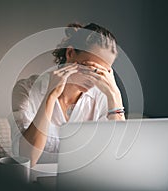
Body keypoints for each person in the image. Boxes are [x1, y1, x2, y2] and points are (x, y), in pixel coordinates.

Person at [12, 23, 125, 167]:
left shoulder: (103, 96)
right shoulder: (26, 90)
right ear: (70, 53)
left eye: (101, 73)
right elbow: (27, 158)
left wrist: (114, 95)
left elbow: (119, 157)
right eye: (89, 67)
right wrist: (50, 97)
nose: (93, 78)